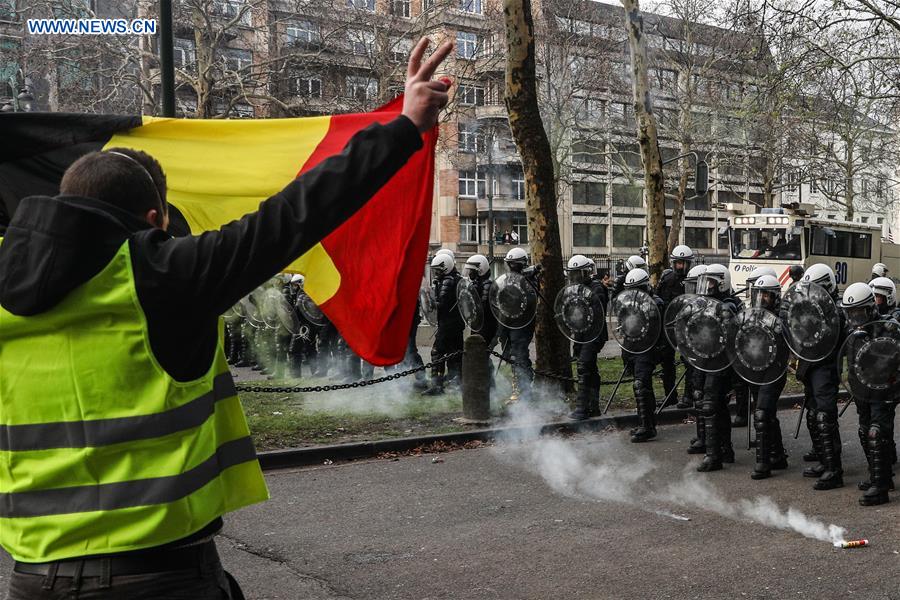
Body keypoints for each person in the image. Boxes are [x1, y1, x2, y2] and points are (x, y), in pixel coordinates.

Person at [0, 37, 453, 600]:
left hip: (30, 579)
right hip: (158, 578)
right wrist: (406, 125)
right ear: (153, 219)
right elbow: (294, 214)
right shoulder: (163, 276)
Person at [796, 264, 845, 490]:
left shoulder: (836, 309)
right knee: (813, 414)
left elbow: (837, 337)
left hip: (825, 366)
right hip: (809, 364)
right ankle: (823, 461)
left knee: (825, 417)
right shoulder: (810, 306)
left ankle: (834, 470)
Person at [852, 277, 899, 505]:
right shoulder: (855, 329)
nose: (856, 317)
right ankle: (880, 477)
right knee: (864, 431)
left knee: (877, 432)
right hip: (863, 389)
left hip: (884, 389)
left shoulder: (889, 325)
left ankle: (880, 489)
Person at [694, 263, 741, 471]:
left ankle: (713, 456)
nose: (708, 286)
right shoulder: (705, 304)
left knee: (711, 404)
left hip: (721, 362)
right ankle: (725, 450)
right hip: (706, 358)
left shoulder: (729, 305)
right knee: (719, 407)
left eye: (711, 282)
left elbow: (731, 334)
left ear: (722, 283)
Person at [745, 275, 789, 480]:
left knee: (761, 413)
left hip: (775, 370)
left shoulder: (782, 318)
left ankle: (763, 463)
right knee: (767, 413)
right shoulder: (751, 315)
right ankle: (778, 455)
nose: (762, 299)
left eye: (766, 295)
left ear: (775, 297)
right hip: (756, 368)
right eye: (759, 294)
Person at [567, 255, 608, 420]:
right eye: (573, 274)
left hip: (594, 334)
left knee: (584, 366)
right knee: (590, 369)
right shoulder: (575, 289)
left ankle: (582, 408)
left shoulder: (596, 287)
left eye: (578, 273)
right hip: (581, 334)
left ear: (586, 272)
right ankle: (593, 406)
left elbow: (595, 310)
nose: (575, 277)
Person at [496, 247, 539, 403]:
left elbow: (528, 300)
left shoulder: (530, 279)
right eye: (510, 264)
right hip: (506, 321)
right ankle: (521, 388)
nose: (511, 267)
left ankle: (523, 390)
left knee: (519, 355)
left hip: (521, 323)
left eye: (514, 264)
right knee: (510, 355)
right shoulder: (508, 279)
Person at [655, 245, 693, 406]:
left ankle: (689, 396)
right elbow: (658, 297)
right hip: (668, 326)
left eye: (683, 263)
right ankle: (670, 395)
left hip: (686, 327)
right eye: (678, 263)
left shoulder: (693, 278)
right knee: (666, 361)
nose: (680, 266)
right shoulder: (666, 277)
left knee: (688, 361)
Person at [423, 252, 464, 395]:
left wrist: (428, 299)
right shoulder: (456, 278)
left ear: (445, 268)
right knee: (454, 353)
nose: (436, 273)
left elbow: (442, 304)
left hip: (448, 324)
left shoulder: (447, 281)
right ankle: (456, 382)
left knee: (437, 352)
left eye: (437, 270)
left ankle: (437, 385)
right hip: (456, 324)